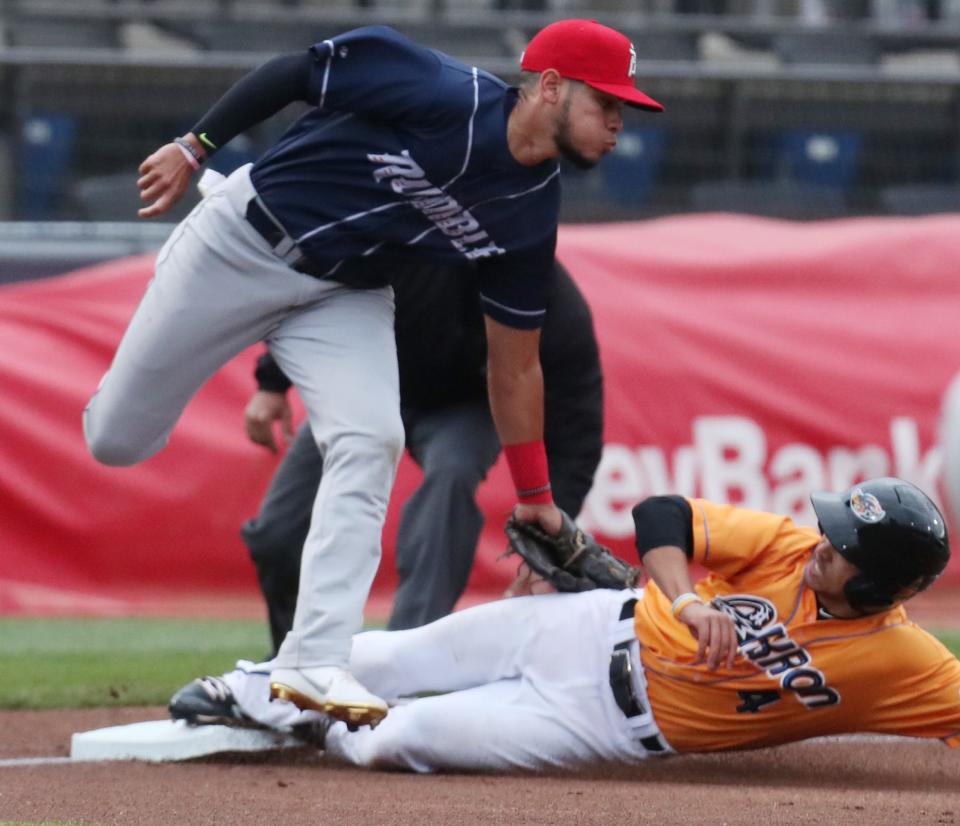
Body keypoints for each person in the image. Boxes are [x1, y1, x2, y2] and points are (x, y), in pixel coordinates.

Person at [81, 19, 663, 727]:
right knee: (117, 439)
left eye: (621, 110)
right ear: (549, 87)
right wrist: (194, 143)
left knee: (371, 438)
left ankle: (313, 657)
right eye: (606, 103)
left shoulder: (531, 211)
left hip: (343, 294)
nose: (617, 124)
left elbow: (515, 368)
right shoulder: (440, 90)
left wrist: (536, 496)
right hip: (241, 242)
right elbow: (295, 70)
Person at [198, 477, 958, 771]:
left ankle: (315, 722)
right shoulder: (791, 549)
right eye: (832, 530)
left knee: (401, 740)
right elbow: (663, 514)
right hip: (589, 626)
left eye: (845, 548)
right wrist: (686, 598)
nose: (823, 543)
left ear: (886, 583)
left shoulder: (906, 664)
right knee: (391, 655)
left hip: (600, 724)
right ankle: (242, 690)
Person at [238, 260, 603, 654]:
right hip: (369, 383)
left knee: (451, 480)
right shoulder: (407, 240)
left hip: (466, 408)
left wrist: (547, 547)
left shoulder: (547, 297)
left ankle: (400, 661)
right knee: (277, 532)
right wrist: (273, 381)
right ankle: (294, 664)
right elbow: (325, 287)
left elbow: (577, 431)